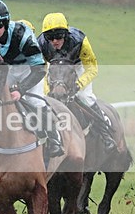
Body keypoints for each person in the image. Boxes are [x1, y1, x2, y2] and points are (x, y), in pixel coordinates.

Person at [0, 0, 63, 161]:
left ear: (6, 22)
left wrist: (21, 90)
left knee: (35, 102)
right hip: (5, 69)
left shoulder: (22, 35)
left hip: (29, 69)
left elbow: (39, 69)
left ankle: (53, 139)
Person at [36, 12, 117, 152]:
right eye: (50, 37)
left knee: (85, 97)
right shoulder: (41, 44)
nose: (54, 41)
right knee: (43, 99)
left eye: (58, 36)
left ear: (65, 34)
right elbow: (40, 70)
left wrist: (79, 84)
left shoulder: (79, 41)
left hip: (77, 67)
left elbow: (92, 68)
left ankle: (105, 134)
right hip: (54, 68)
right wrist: (47, 88)